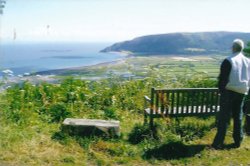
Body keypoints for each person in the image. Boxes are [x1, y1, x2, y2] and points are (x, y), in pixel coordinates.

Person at [212, 39, 250, 149]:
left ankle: (218, 142)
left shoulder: (228, 60)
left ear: (233, 48)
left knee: (224, 117)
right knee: (238, 116)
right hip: (242, 91)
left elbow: (222, 79)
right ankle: (238, 140)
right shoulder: (248, 61)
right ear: (241, 48)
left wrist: (221, 91)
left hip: (229, 91)